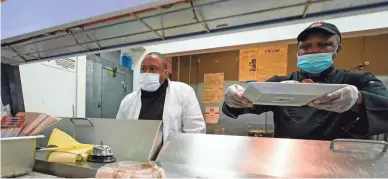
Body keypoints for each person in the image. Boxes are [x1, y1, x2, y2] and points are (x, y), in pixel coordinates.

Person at [223, 21, 388, 140]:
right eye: (306, 46)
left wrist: (358, 99)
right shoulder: (280, 83)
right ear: (298, 51)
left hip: (341, 163)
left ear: (337, 50)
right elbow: (243, 105)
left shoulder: (358, 80)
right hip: (289, 160)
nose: (313, 51)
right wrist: (233, 98)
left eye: (323, 45)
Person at [116, 52, 206, 141]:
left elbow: (195, 132)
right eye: (143, 69)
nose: (146, 72)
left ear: (166, 73)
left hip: (173, 153)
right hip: (137, 153)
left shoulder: (183, 92)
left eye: (152, 68)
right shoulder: (128, 101)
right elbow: (120, 131)